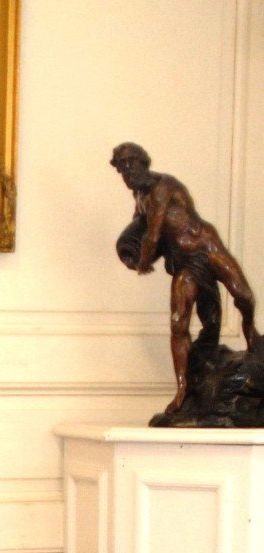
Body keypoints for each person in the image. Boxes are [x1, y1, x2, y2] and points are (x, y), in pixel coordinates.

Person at [111, 142, 259, 413]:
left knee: (243, 295)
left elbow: (153, 233)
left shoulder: (162, 187)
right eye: (122, 170)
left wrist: (143, 263)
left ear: (144, 163)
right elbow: (140, 231)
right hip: (185, 264)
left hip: (206, 246)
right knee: (178, 323)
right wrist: (130, 253)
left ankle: (250, 331)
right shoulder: (140, 199)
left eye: (131, 165)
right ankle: (183, 388)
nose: (127, 173)